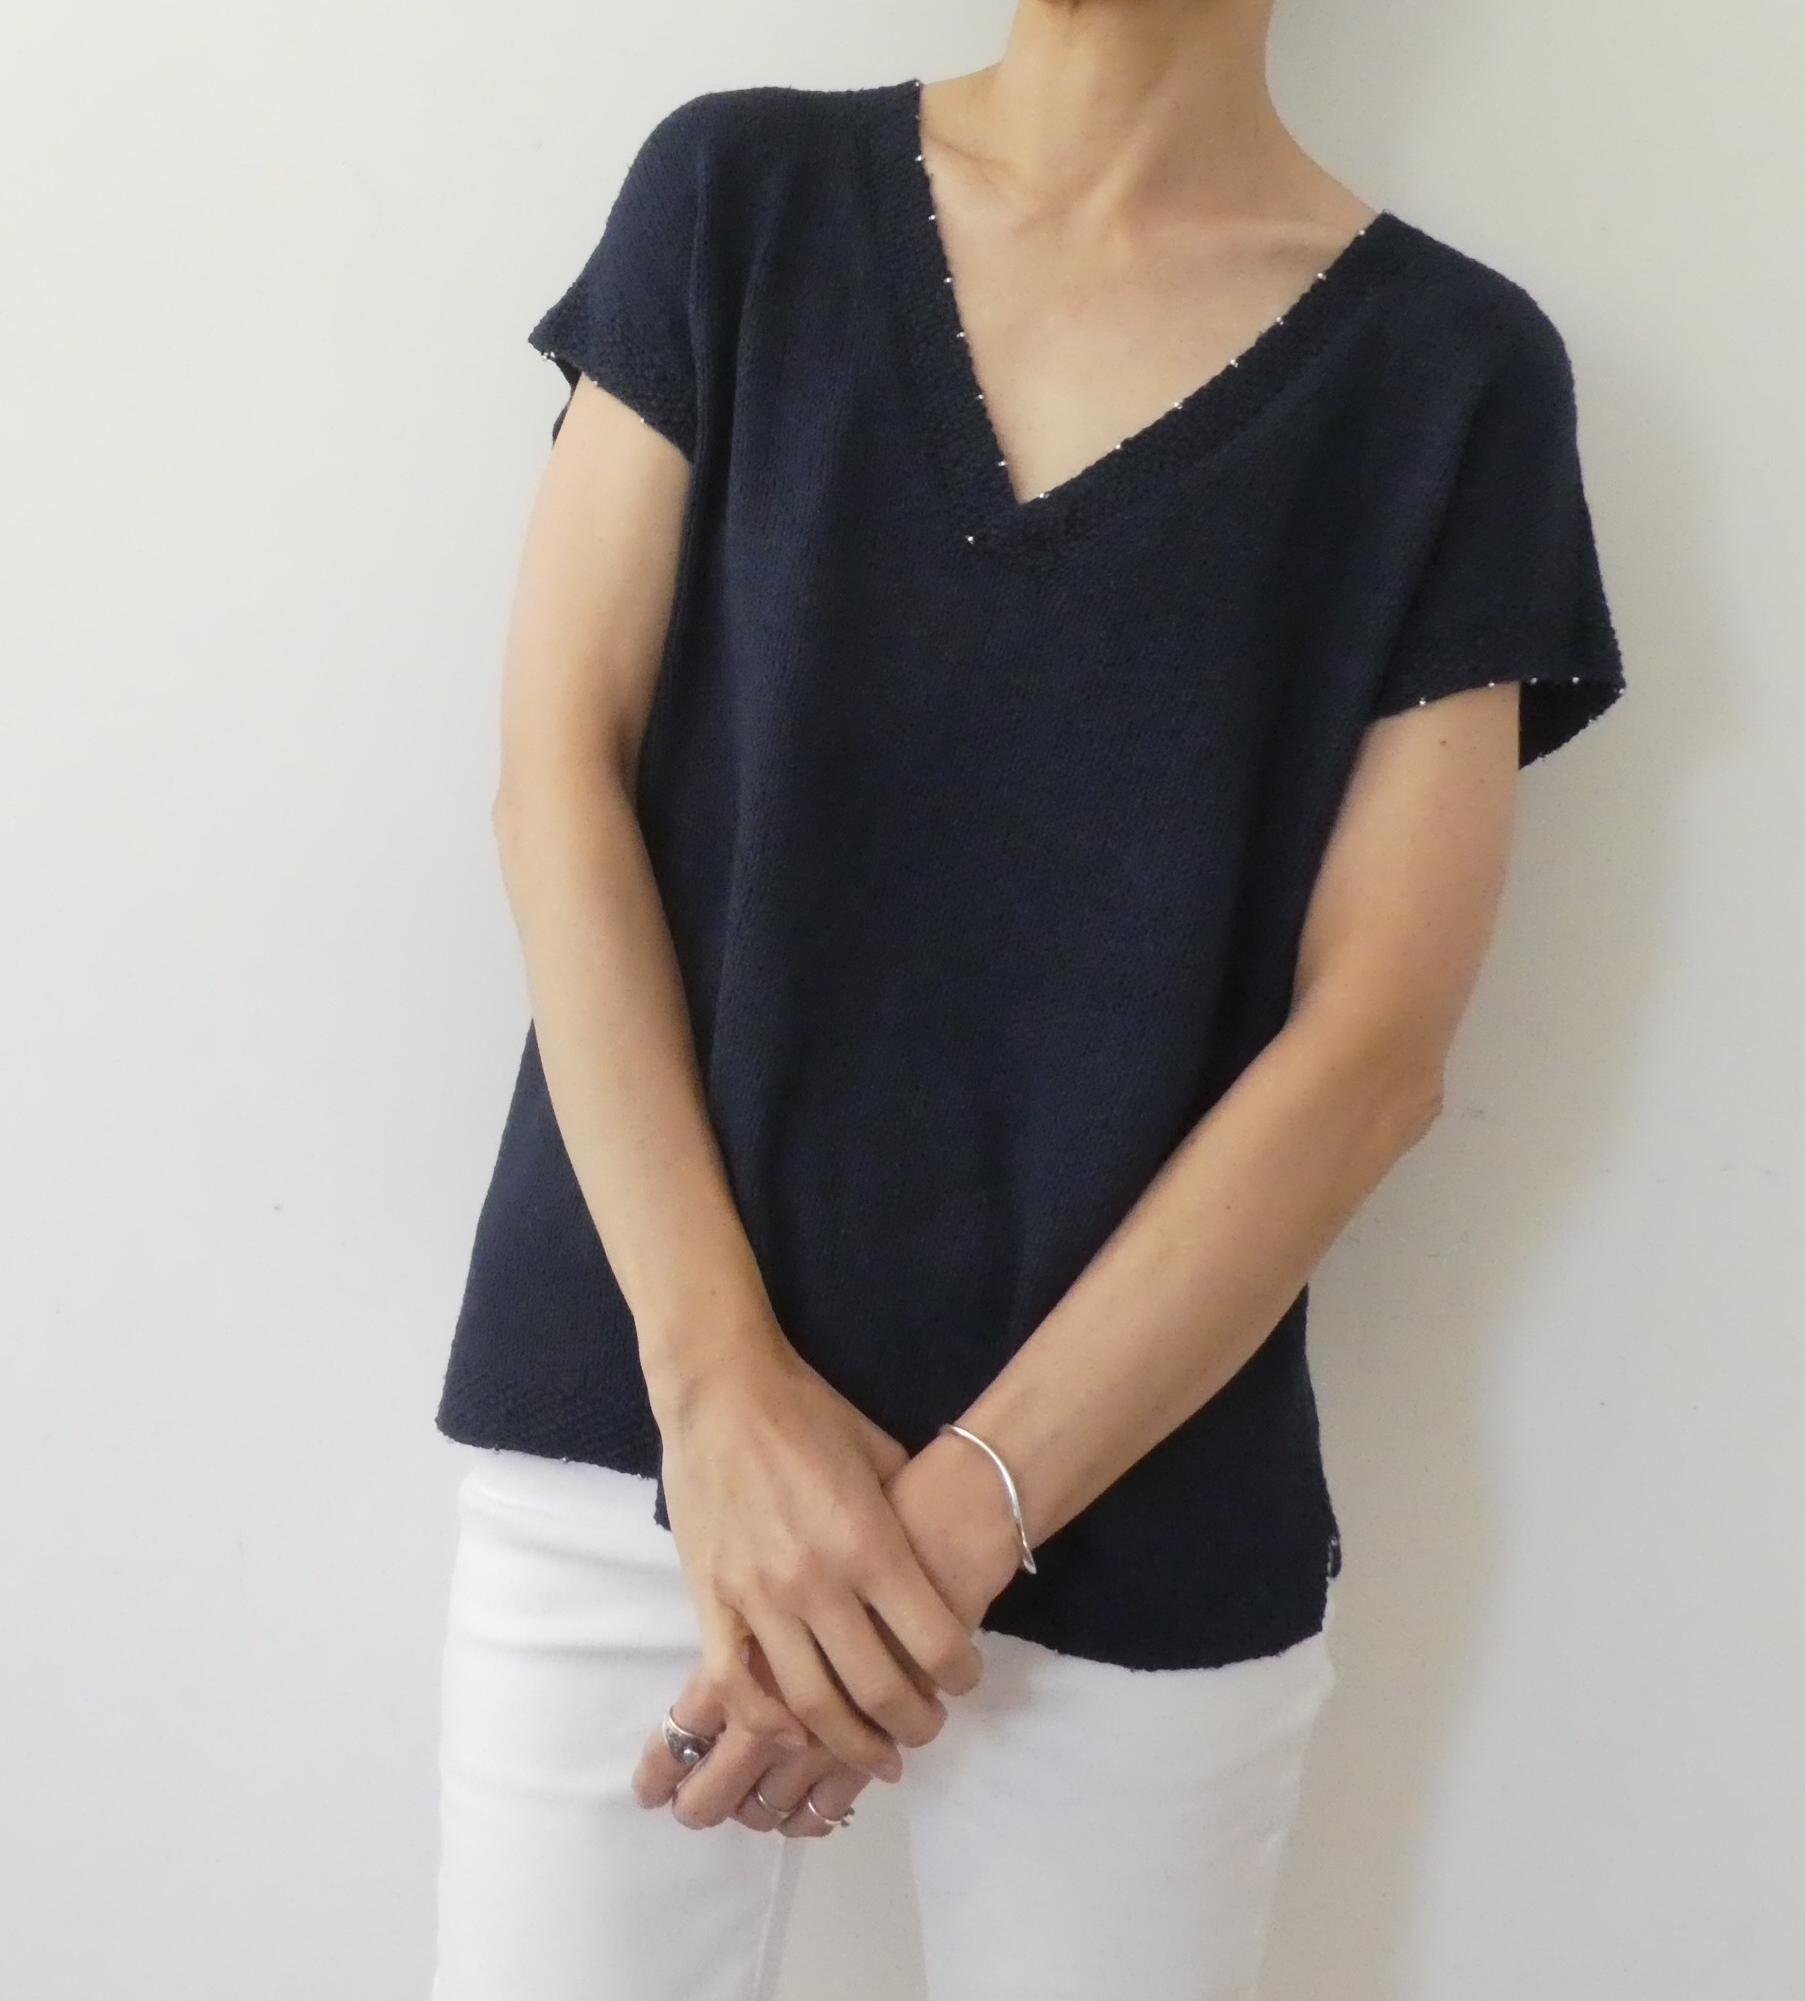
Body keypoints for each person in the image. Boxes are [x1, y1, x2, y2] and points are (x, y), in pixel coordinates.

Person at [430, 3, 1623, 1995]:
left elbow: (1374, 1051)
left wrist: (955, 1523)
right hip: (639, 1424)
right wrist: (719, 1392)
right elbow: (559, 778)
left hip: (1133, 1497)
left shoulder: (1448, 375)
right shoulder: (738, 199)